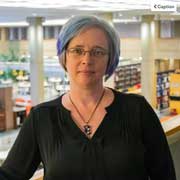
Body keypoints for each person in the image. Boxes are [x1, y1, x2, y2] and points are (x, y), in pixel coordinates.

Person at [0, 15, 176, 180]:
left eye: (98, 52)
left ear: (110, 59)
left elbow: (164, 174)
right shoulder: (41, 118)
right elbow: (9, 175)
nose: (87, 59)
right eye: (77, 50)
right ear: (64, 57)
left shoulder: (137, 110)